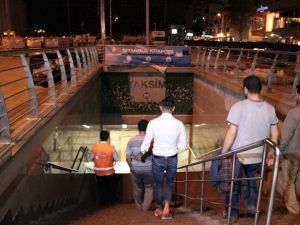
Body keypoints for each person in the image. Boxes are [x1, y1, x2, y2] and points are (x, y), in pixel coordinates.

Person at [221, 75, 279, 220]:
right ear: (260, 89)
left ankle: (232, 213)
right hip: (260, 156)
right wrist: (271, 152)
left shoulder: (238, 107)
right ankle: (251, 205)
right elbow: (275, 133)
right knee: (250, 178)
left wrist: (224, 152)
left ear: (246, 89)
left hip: (239, 155)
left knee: (233, 182)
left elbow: (231, 132)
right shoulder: (270, 109)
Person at [139, 96, 187, 219]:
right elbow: (183, 146)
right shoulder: (179, 124)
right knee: (170, 183)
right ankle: (166, 208)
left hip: (157, 159)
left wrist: (142, 151)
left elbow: (146, 143)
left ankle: (159, 208)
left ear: (160, 108)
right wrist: (174, 147)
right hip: (172, 158)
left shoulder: (153, 123)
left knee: (158, 184)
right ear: (174, 108)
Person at [280, 84, 300, 214]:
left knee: (289, 181)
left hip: (293, 153)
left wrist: (280, 150)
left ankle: (293, 209)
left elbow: (286, 135)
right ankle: (296, 201)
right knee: (297, 179)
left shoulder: (295, 113)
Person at [126, 120, 153, 211]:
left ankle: (138, 206)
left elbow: (127, 157)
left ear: (138, 128)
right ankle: (145, 207)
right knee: (149, 187)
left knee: (137, 188)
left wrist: (131, 167)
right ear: (148, 128)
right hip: (149, 168)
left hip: (136, 169)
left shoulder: (131, 141)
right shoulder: (151, 141)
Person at [91, 130, 119, 205]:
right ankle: (111, 201)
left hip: (98, 172)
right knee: (110, 187)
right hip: (109, 172)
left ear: (100, 137)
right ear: (107, 137)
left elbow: (91, 157)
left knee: (101, 187)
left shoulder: (95, 147)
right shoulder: (111, 147)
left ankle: (102, 202)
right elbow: (116, 159)